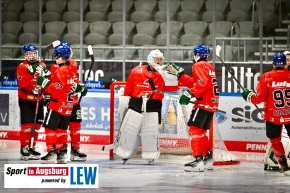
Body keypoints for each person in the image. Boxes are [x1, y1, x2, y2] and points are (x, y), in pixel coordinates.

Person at [114, 49, 178, 164]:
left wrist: (169, 75)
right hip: (136, 102)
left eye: (160, 60)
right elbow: (128, 89)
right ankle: (124, 150)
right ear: (150, 59)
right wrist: (125, 98)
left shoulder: (164, 73)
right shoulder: (136, 71)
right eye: (157, 59)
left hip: (153, 104)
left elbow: (173, 88)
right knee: (128, 128)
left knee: (150, 130)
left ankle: (150, 152)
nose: (159, 62)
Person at [166, 44, 220, 172]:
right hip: (211, 103)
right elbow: (197, 83)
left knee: (195, 131)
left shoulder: (198, 65)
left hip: (203, 103)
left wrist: (189, 94)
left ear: (196, 55)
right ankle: (207, 159)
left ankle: (198, 161)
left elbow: (201, 84)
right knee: (201, 132)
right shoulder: (209, 66)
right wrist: (181, 75)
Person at [242, 52, 290, 176]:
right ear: (285, 63)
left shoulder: (267, 76)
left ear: (273, 63)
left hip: (273, 115)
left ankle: (284, 165)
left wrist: (249, 96)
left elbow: (259, 98)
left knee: (275, 140)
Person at [37, 44, 86, 164]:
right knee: (62, 130)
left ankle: (51, 153)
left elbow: (57, 89)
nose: (56, 58)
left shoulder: (60, 70)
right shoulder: (71, 71)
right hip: (68, 107)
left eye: (57, 56)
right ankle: (62, 154)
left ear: (60, 56)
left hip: (57, 105)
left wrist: (44, 82)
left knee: (49, 128)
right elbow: (73, 86)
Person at [16, 44, 51, 160]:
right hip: (26, 99)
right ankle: (24, 147)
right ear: (25, 54)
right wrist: (33, 88)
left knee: (37, 125)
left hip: (39, 99)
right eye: (30, 53)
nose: (32, 55)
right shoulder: (22, 67)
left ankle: (32, 146)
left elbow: (47, 80)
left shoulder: (42, 65)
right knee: (28, 125)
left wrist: (46, 93)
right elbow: (23, 84)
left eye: (34, 53)